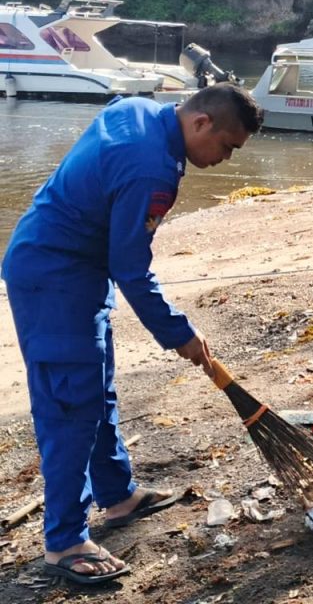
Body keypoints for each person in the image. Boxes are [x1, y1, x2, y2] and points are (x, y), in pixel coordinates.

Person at [1, 83, 263, 585]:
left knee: (98, 390)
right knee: (71, 406)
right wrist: (177, 331)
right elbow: (131, 266)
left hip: (77, 270)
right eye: (227, 147)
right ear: (201, 124)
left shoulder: (142, 108)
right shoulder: (152, 168)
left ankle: (117, 494)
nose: (226, 160)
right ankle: (64, 541)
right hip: (53, 279)